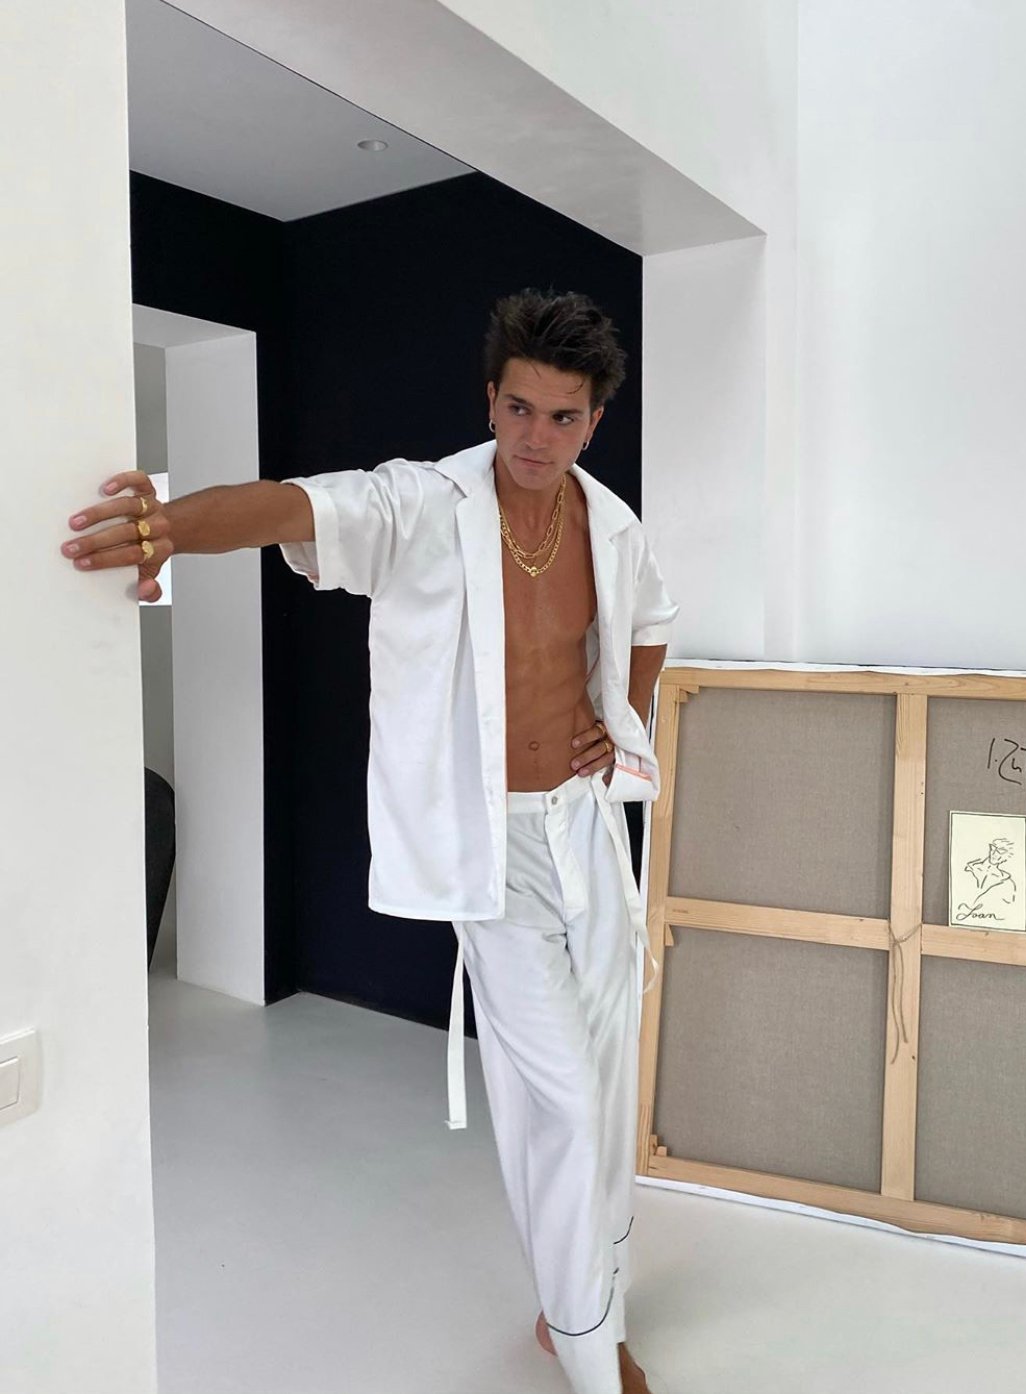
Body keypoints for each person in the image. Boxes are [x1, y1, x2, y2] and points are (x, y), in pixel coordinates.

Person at [61, 289, 677, 1394]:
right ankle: (593, 1347)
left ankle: (576, 1298)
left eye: (562, 416)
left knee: (605, 1076)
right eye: (520, 408)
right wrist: (168, 524)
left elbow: (650, 624)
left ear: (594, 422)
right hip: (487, 847)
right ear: (489, 400)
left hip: (585, 828)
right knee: (565, 1099)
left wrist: (617, 723)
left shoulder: (611, 523)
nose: (536, 436)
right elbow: (291, 506)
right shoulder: (423, 503)